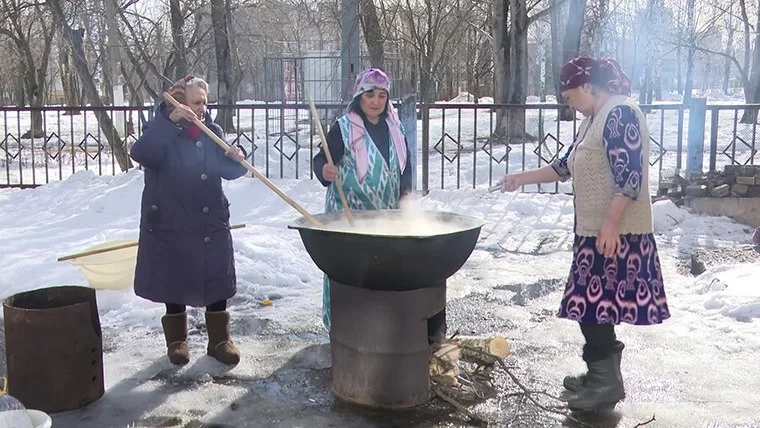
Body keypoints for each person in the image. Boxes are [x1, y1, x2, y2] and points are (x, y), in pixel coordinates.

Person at [499, 56, 670, 412]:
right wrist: (520, 179)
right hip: (595, 233)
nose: (568, 102)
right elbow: (564, 167)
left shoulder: (620, 113)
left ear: (586, 86)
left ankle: (605, 383)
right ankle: (600, 375)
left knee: (591, 309)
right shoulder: (594, 119)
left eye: (568, 94)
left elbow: (630, 177)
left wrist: (609, 224)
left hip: (617, 235)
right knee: (592, 308)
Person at [312, 68, 446, 337]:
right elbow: (320, 160)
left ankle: (380, 325)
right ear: (359, 97)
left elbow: (404, 170)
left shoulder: (395, 128)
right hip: (348, 215)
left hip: (385, 215)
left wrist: (406, 202)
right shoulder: (344, 128)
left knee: (379, 270)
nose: (375, 101)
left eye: (381, 95)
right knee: (350, 271)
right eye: (370, 94)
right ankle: (344, 326)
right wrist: (325, 170)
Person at [130, 75, 248, 366]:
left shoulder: (211, 130)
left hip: (210, 218)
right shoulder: (160, 128)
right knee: (175, 278)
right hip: (172, 218)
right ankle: (177, 341)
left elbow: (228, 170)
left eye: (205, 102)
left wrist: (236, 158)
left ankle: (220, 340)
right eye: (196, 103)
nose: (202, 109)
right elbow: (143, 154)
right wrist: (170, 123)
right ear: (180, 103)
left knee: (215, 277)